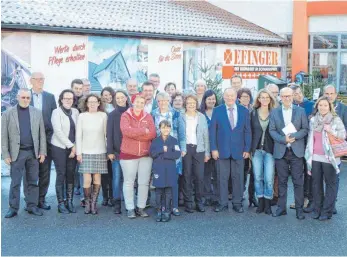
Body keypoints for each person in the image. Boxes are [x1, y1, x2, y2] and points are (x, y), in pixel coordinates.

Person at [2, 89, 46, 218]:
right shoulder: (8, 114)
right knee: (15, 182)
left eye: (28, 98)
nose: (25, 100)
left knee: (33, 181)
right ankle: (13, 208)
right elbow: (3, 136)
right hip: (17, 153)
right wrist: (5, 154)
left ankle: (31, 206)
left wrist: (42, 152)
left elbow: (41, 134)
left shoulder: (37, 113)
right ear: (17, 97)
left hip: (33, 153)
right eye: (23, 97)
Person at [269, 87, 308, 219]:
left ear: (293, 96)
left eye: (289, 96)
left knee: (298, 181)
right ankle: (281, 208)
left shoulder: (301, 111)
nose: (286, 98)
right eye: (284, 96)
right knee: (282, 181)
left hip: (296, 151)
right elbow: (272, 130)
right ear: (280, 97)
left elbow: (305, 129)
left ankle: (299, 209)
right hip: (281, 151)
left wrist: (294, 136)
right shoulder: (275, 112)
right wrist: (283, 139)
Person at [210, 88, 251, 213]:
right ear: (224, 97)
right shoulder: (217, 110)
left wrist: (247, 149)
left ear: (236, 97)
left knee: (238, 177)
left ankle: (237, 203)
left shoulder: (244, 110)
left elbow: (247, 131)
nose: (229, 98)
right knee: (222, 178)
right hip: (222, 150)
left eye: (232, 95)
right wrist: (214, 149)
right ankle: (222, 203)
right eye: (227, 95)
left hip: (239, 150)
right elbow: (212, 131)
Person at [305, 96, 345, 221]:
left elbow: (343, 135)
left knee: (330, 184)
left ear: (329, 107)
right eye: (320, 105)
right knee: (316, 185)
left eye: (325, 105)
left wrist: (331, 130)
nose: (322, 107)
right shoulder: (313, 120)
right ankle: (317, 209)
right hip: (315, 157)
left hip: (330, 157)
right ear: (317, 106)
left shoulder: (335, 119)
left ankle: (327, 211)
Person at [119, 93, 156, 218]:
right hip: (128, 154)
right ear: (132, 102)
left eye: (142, 102)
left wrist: (137, 133)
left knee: (144, 182)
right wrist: (142, 131)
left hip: (145, 154)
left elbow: (152, 134)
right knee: (129, 182)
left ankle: (141, 207)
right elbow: (126, 131)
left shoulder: (148, 116)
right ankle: (130, 208)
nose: (139, 104)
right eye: (137, 101)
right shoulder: (125, 115)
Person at [151, 92, 186, 216]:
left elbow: (182, 133)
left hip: (173, 151)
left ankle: (174, 206)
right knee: (160, 180)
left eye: (165, 100)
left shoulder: (176, 114)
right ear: (157, 102)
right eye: (160, 101)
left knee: (173, 180)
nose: (163, 103)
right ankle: (161, 206)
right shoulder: (153, 114)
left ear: (169, 101)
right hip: (159, 153)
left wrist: (183, 149)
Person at [76, 94, 108, 215]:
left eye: (95, 101)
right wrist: (79, 152)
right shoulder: (82, 116)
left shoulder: (103, 115)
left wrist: (108, 151)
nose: (93, 104)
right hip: (85, 151)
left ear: (99, 103)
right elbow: (78, 135)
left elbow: (106, 135)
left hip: (100, 151)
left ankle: (94, 204)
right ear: (87, 103)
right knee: (87, 179)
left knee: (97, 178)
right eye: (90, 102)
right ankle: (87, 203)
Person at [29, 72, 57, 210]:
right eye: (37, 79)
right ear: (31, 81)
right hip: (28, 142)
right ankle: (31, 201)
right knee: (30, 173)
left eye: (42, 79)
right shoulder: (25, 96)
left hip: (46, 140)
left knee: (45, 172)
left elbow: (54, 119)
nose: (40, 81)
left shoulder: (50, 97)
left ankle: (41, 199)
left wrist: (50, 138)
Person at [51, 89, 79, 214]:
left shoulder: (76, 112)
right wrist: (71, 146)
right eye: (66, 98)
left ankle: (69, 201)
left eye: (71, 98)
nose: (68, 100)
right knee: (61, 174)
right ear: (61, 99)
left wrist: (75, 147)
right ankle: (61, 203)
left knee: (71, 174)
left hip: (73, 148)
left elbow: (79, 131)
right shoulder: (56, 112)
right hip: (59, 148)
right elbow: (58, 132)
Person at [182, 94, 210, 213]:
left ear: (196, 104)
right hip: (186, 149)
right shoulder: (181, 117)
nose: (191, 105)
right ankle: (189, 203)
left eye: (193, 103)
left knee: (199, 176)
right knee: (187, 176)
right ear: (185, 104)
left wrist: (207, 152)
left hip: (199, 149)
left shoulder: (201, 117)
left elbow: (205, 135)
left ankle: (199, 202)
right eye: (189, 103)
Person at [250, 89, 276, 215]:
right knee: (258, 177)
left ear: (270, 99)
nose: (265, 99)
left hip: (270, 150)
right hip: (256, 150)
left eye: (267, 97)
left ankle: (268, 203)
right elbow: (249, 132)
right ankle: (260, 201)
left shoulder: (275, 113)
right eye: (262, 97)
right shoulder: (253, 113)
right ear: (258, 99)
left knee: (269, 178)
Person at [289, 84, 314, 211]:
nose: (298, 95)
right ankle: (300, 199)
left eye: (299, 92)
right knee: (298, 174)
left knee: (309, 172)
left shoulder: (311, 105)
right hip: (295, 144)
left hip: (310, 144)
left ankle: (309, 199)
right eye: (295, 94)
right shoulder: (290, 107)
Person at [150, 120, 181, 222]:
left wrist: (166, 153)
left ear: (170, 128)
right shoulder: (155, 141)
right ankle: (159, 210)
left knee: (168, 191)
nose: (165, 129)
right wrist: (161, 150)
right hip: (158, 169)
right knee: (159, 191)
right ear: (160, 129)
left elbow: (177, 154)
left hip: (170, 169)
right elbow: (152, 154)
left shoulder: (174, 140)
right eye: (163, 127)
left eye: (167, 127)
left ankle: (167, 211)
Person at [107, 89, 131, 214]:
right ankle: (117, 203)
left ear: (126, 98)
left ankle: (129, 203)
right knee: (117, 178)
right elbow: (109, 134)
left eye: (122, 97)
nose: (120, 100)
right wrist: (109, 151)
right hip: (117, 152)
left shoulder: (131, 112)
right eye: (118, 98)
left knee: (129, 179)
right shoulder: (112, 115)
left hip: (130, 152)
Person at [323, 84, 347, 215]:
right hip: (320, 151)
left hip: (335, 151)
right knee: (320, 179)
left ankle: (332, 204)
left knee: (333, 179)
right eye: (327, 94)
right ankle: (322, 203)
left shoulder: (343, 109)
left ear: (336, 95)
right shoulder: (320, 107)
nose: (329, 96)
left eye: (331, 94)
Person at [237, 88, 257, 206]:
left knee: (254, 172)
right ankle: (240, 194)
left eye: (248, 97)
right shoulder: (236, 110)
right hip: (241, 146)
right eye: (243, 96)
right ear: (239, 98)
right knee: (242, 172)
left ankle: (252, 196)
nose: (246, 99)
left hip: (254, 145)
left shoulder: (254, 110)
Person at [200, 90, 219, 207]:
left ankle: (216, 197)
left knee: (217, 173)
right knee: (206, 173)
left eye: (213, 98)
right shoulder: (201, 114)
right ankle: (207, 196)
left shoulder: (219, 112)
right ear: (205, 100)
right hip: (205, 148)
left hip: (218, 147)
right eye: (209, 99)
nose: (211, 101)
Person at [101, 86, 116, 207]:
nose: (107, 97)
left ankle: (112, 196)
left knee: (113, 173)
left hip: (113, 145)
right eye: (105, 95)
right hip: (102, 144)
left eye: (109, 94)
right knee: (104, 173)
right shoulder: (100, 110)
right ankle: (105, 197)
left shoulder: (116, 108)